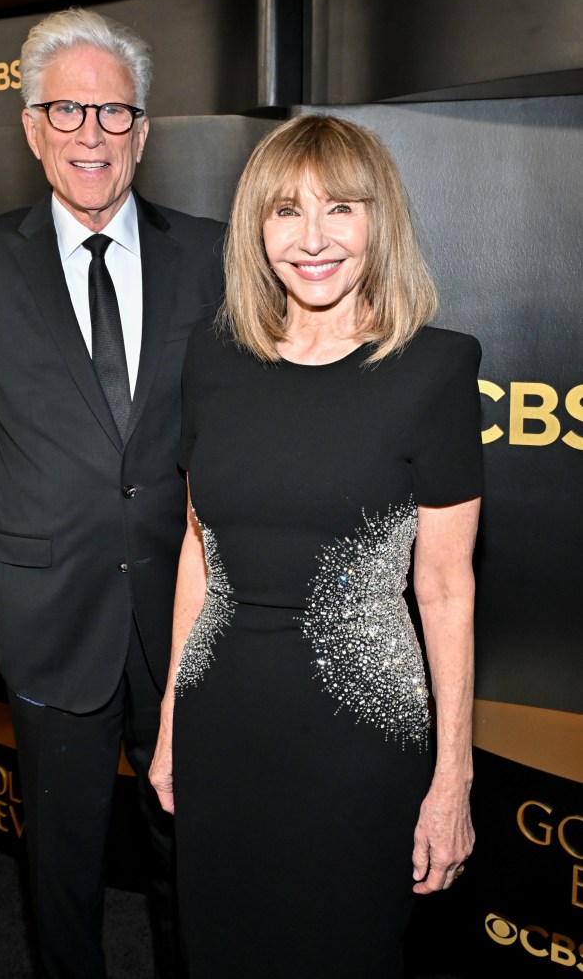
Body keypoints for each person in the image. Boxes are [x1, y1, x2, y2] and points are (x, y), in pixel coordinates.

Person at [0, 6, 224, 979]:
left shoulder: (211, 255)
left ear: (143, 129)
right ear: (29, 126)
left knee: (193, 852)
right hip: (44, 610)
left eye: (112, 114)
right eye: (67, 111)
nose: (90, 135)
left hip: (183, 616)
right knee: (60, 868)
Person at [149, 114, 482, 978]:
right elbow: (197, 548)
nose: (311, 238)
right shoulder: (212, 356)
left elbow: (445, 589)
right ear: (255, 228)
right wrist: (168, 722)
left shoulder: (434, 369)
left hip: (359, 740)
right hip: (221, 723)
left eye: (340, 209)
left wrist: (453, 779)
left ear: (380, 223)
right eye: (285, 210)